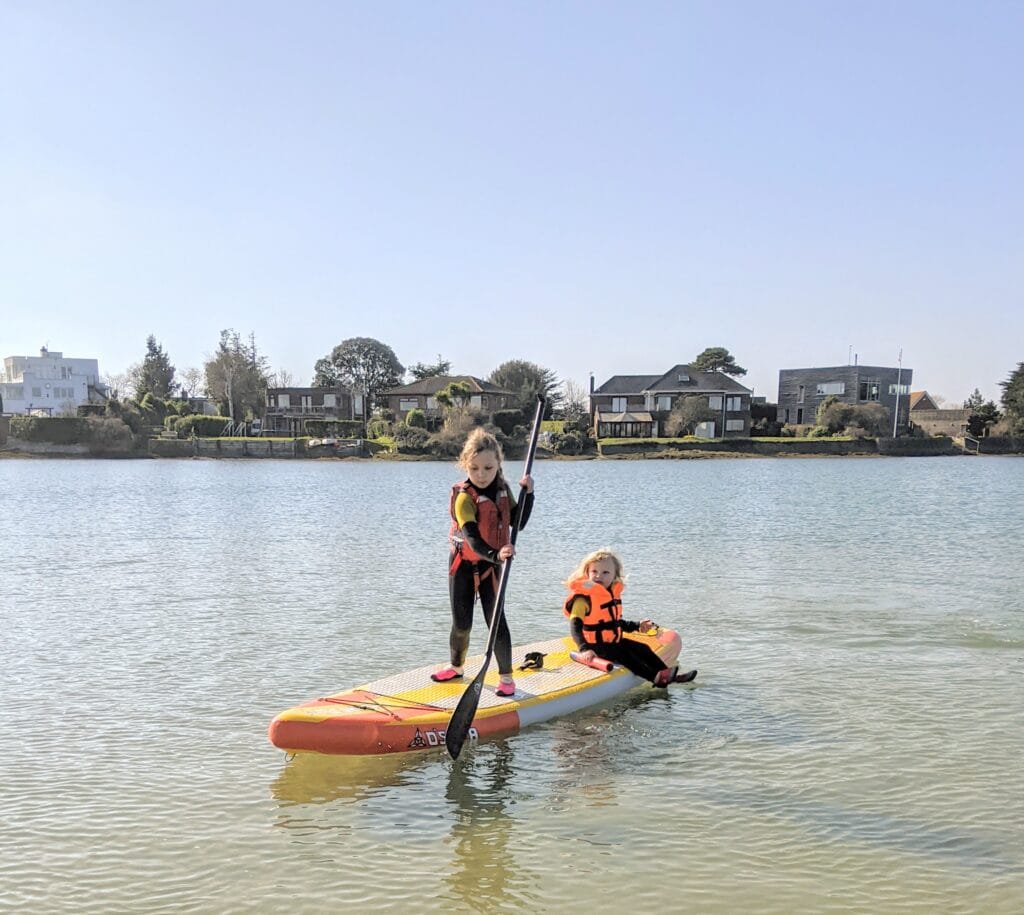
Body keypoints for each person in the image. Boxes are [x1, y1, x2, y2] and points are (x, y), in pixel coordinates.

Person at [432, 428, 535, 697]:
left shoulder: (503, 491)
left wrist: (529, 496)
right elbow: (473, 540)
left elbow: (519, 523)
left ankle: (506, 678)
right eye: (474, 467)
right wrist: (497, 555)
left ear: (499, 464)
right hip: (463, 567)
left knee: (497, 622)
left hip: (491, 569)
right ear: (465, 464)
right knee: (462, 624)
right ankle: (456, 667)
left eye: (488, 467)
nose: (480, 474)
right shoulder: (465, 498)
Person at [564, 548, 696, 686]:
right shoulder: (583, 599)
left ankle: (667, 674)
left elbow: (614, 623)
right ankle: (655, 678)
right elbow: (575, 627)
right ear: (587, 573)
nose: (599, 576)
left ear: (615, 575)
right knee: (626, 655)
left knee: (642, 648)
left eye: (605, 572)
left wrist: (637, 626)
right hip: (595, 646)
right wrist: (584, 649)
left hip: (612, 642)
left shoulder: (609, 595)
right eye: (594, 572)